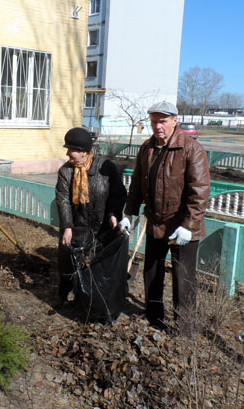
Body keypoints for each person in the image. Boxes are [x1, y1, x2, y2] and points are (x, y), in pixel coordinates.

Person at [119, 101, 210, 333]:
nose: (157, 126)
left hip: (182, 227)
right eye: (153, 121)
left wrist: (189, 225)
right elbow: (137, 184)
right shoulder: (147, 148)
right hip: (157, 223)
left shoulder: (191, 149)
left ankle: (185, 329)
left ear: (174, 121)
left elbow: (199, 192)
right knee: (152, 271)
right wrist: (129, 213)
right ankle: (153, 318)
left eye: (162, 121)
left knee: (183, 279)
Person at [55, 127, 127, 303]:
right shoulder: (66, 171)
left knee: (99, 266)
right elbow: (63, 200)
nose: (67, 153)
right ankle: (65, 295)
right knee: (68, 261)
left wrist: (112, 213)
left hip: (102, 226)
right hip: (77, 225)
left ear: (84, 152)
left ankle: (94, 299)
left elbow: (118, 194)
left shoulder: (107, 167)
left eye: (71, 149)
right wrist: (67, 227)